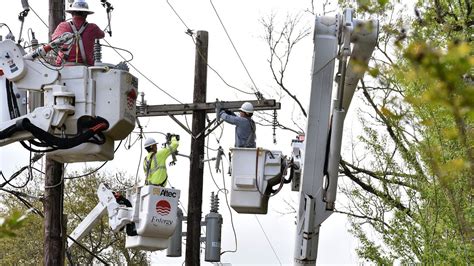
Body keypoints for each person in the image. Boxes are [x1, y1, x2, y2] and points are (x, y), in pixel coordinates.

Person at [51, 0, 105, 66]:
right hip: (86, 68)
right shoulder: (93, 28)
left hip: (63, 67)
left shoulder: (63, 26)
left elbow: (54, 40)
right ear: (86, 15)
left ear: (72, 13)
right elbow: (102, 35)